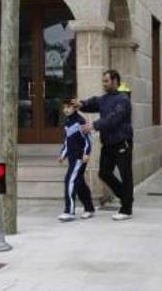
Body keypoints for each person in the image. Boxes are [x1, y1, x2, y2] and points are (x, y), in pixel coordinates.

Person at [74, 70, 134, 221]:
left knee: (126, 175)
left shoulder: (123, 99)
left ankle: (126, 209)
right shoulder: (105, 99)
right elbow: (93, 103)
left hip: (122, 142)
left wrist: (94, 125)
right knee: (104, 173)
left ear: (115, 81)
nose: (104, 84)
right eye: (103, 81)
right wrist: (81, 104)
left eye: (106, 81)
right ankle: (126, 196)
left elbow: (114, 118)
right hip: (108, 143)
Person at [57, 99, 95, 222]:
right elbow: (67, 142)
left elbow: (88, 140)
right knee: (79, 183)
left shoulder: (80, 122)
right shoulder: (67, 123)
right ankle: (89, 208)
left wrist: (86, 153)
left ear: (75, 108)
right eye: (64, 107)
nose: (66, 110)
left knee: (69, 180)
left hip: (80, 158)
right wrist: (63, 154)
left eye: (69, 107)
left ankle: (69, 211)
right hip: (72, 157)